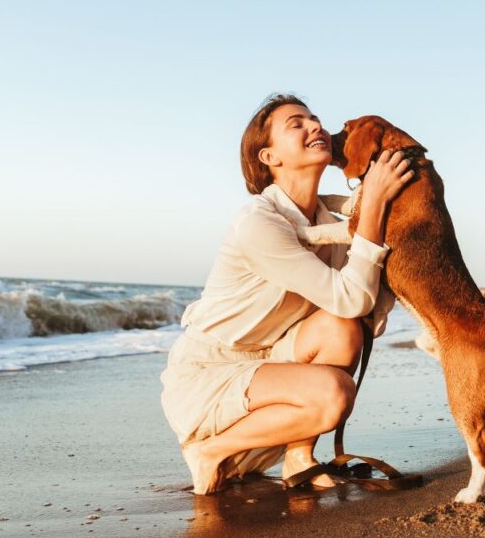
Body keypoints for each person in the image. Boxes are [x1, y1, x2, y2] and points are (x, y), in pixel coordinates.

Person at [160, 93, 413, 494]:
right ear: (269, 158)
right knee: (334, 394)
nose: (315, 126)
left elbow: (360, 313)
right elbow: (353, 297)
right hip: (211, 374)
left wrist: (380, 199)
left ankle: (299, 455)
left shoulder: (326, 218)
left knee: (342, 329)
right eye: (296, 123)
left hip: (274, 362)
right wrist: (375, 202)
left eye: (314, 119)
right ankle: (211, 450)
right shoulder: (258, 223)